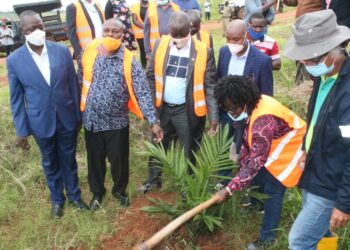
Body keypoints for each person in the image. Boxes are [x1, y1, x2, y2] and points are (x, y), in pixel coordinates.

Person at [7, 10, 88, 219]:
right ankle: (57, 201)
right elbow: (16, 99)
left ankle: (75, 197)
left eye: (40, 26)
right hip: (40, 121)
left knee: (68, 160)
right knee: (50, 163)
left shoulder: (61, 52)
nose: (37, 31)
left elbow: (73, 85)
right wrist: (22, 130)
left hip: (66, 118)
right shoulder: (15, 60)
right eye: (31, 28)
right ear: (23, 31)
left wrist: (78, 116)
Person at [78, 18, 163, 209]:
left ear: (122, 34)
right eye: (106, 30)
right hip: (91, 120)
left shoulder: (129, 59)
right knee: (95, 162)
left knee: (119, 161)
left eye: (114, 31)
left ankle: (119, 191)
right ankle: (97, 193)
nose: (109, 35)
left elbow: (142, 91)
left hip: (117, 122)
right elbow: (79, 81)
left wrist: (153, 120)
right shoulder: (89, 50)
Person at [214, 75, 306, 250]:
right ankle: (257, 205)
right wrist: (241, 168)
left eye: (233, 109)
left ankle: (268, 237)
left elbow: (256, 160)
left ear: (245, 100)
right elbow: (249, 144)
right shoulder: (252, 105)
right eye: (227, 109)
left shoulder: (263, 120)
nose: (232, 113)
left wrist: (229, 188)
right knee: (257, 177)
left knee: (273, 188)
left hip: (292, 146)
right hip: (274, 143)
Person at [283, 9, 350, 249]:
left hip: (332, 183)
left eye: (310, 61)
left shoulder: (347, 95)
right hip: (313, 168)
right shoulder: (324, 77)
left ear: (334, 52)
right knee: (321, 232)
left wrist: (344, 203)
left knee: (299, 241)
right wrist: (304, 148)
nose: (306, 65)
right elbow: (316, 122)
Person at [138, 11, 218, 193]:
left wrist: (214, 116)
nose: (179, 39)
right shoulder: (160, 44)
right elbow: (150, 76)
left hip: (187, 110)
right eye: (175, 35)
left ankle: (187, 186)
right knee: (158, 144)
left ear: (190, 29)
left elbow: (211, 86)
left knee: (189, 148)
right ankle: (153, 180)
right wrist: (152, 113)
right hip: (163, 108)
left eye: (183, 35)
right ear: (168, 31)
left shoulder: (204, 52)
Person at [217, 19, 273, 157]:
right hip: (226, 114)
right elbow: (219, 81)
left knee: (244, 152)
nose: (231, 43)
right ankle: (225, 178)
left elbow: (267, 95)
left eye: (235, 39)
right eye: (228, 39)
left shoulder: (262, 60)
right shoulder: (224, 52)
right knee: (223, 152)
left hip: (247, 115)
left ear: (246, 35)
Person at [131, 0, 151, 68]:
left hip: (152, 33)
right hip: (140, 34)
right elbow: (134, 20)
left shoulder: (153, 5)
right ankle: (144, 66)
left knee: (152, 49)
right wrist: (146, 27)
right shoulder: (135, 6)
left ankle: (152, 66)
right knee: (143, 50)